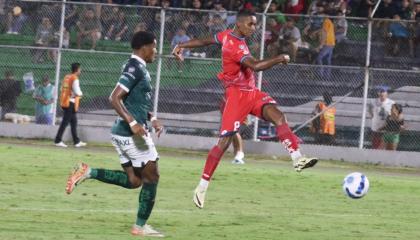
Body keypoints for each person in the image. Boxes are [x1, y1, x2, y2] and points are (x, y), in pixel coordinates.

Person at [172, 10, 318, 209]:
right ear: (239, 24)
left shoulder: (226, 36)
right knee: (223, 143)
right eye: (251, 24)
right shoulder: (234, 45)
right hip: (236, 96)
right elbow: (256, 66)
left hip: (251, 92)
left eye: (255, 24)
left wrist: (181, 45)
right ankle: (202, 187)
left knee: (278, 116)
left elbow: (205, 40)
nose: (254, 28)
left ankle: (297, 159)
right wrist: (279, 58)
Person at [65, 31, 164, 237]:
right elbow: (114, 97)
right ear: (144, 47)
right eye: (154, 46)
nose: (156, 51)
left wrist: (151, 117)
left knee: (134, 181)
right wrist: (134, 123)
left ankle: (88, 171)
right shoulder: (134, 67)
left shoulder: (136, 67)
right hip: (130, 133)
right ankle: (140, 227)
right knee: (151, 177)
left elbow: (133, 101)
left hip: (121, 132)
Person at [54, 63, 87, 148]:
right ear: (77, 70)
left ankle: (76, 141)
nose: (81, 70)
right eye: (80, 69)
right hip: (70, 102)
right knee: (65, 122)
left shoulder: (67, 77)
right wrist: (81, 94)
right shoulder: (75, 78)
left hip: (65, 101)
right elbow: (76, 91)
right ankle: (58, 140)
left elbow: (62, 88)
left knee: (73, 122)